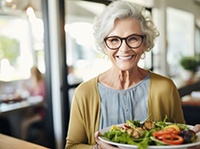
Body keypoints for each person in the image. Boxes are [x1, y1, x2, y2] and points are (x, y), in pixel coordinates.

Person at [65, 1, 200, 149]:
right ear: (104, 46)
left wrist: (191, 140)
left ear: (145, 43)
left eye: (133, 38)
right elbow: (72, 146)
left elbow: (179, 138)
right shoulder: (84, 93)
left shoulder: (165, 87)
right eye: (114, 40)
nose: (124, 49)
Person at [21, 66, 46, 140]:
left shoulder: (42, 84)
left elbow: (42, 99)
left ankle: (23, 144)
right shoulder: (34, 85)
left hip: (42, 113)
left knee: (24, 123)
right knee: (25, 117)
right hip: (36, 111)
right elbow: (31, 94)